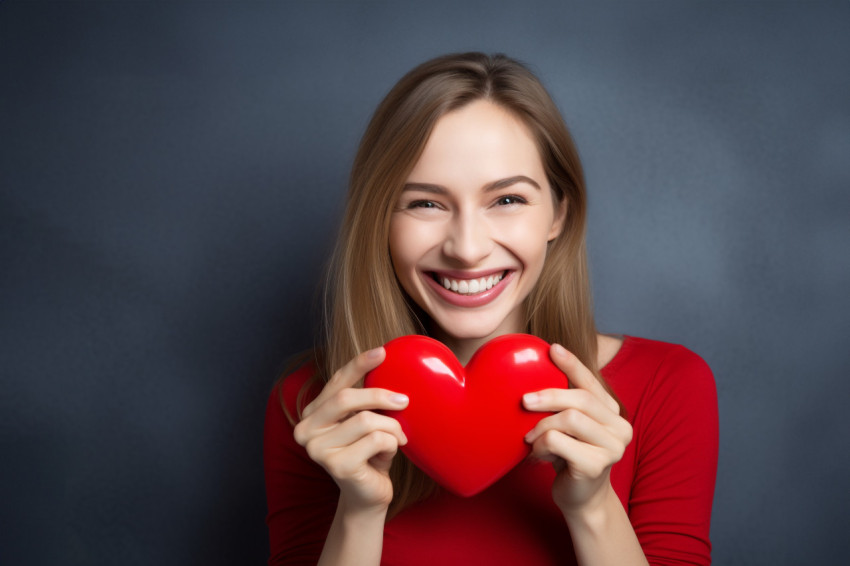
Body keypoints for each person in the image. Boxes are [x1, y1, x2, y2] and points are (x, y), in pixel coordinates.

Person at [264, 52, 718, 565]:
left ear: (558, 214)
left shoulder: (669, 386)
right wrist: (358, 510)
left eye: (506, 200)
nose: (467, 247)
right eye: (425, 203)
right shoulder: (312, 406)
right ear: (380, 222)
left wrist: (593, 506)